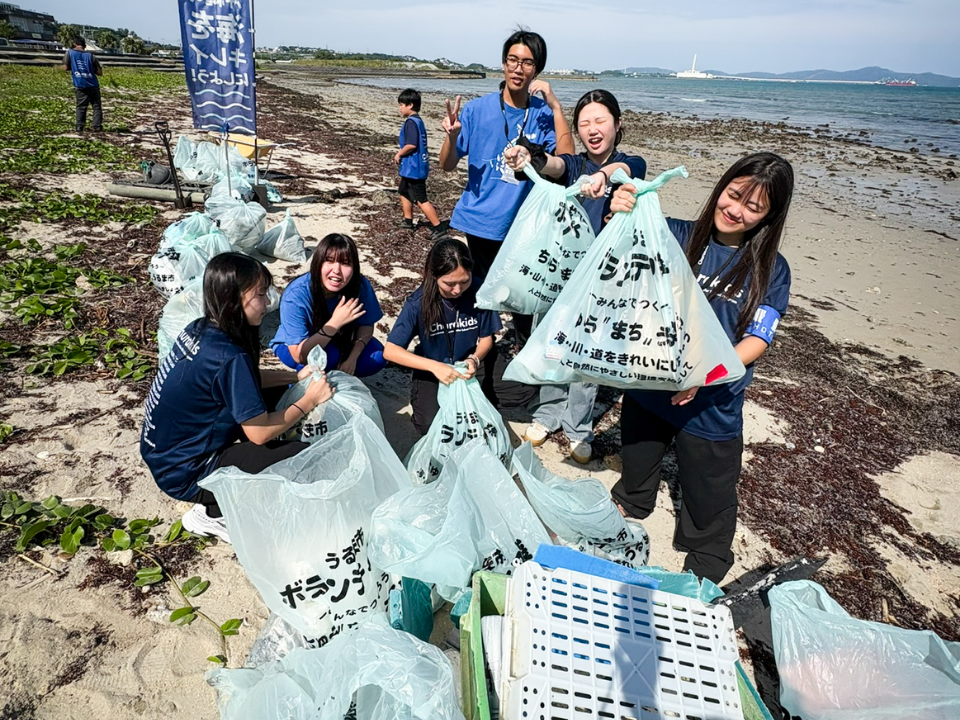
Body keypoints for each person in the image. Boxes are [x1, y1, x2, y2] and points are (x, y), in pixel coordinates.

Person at [608, 152, 794, 584]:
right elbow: (615, 246)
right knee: (636, 467)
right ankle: (635, 501)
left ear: (769, 216)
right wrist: (618, 207)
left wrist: (705, 372)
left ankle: (704, 557)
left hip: (711, 400)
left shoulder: (772, 270)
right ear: (721, 187)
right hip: (649, 385)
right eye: (733, 195)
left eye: (754, 207)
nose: (736, 211)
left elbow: (757, 340)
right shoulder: (673, 234)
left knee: (710, 503)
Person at [141, 253, 334, 543]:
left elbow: (246, 382)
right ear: (234, 299)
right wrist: (309, 399)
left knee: (278, 400)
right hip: (187, 472)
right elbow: (258, 433)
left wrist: (295, 378)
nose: (267, 303)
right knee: (301, 457)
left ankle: (221, 495)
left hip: (165, 454)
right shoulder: (230, 357)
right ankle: (213, 513)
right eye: (259, 294)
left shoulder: (202, 328)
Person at [505, 89, 647, 464]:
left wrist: (602, 174)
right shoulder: (574, 165)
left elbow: (626, 170)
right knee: (550, 341)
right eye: (584, 123)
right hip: (558, 273)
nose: (592, 129)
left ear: (618, 125)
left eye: (600, 121)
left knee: (586, 354)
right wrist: (528, 157)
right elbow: (553, 165)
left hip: (602, 281)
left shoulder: (630, 162)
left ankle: (577, 426)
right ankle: (548, 412)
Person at [439, 28, 574, 341]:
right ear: (503, 64)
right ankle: (481, 359)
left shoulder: (542, 115)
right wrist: (452, 136)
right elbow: (446, 165)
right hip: (481, 222)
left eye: (527, 62)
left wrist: (556, 107)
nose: (518, 68)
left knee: (524, 300)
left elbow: (569, 163)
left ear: (537, 69)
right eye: (512, 60)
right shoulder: (475, 110)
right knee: (483, 297)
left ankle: (525, 360)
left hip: (525, 226)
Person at [383, 239, 502, 435]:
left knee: (520, 391)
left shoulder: (480, 292)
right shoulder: (418, 303)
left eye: (464, 281)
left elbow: (487, 338)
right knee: (428, 423)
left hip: (469, 365)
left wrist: (474, 358)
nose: (457, 290)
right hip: (433, 368)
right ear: (434, 276)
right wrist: (434, 366)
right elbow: (390, 351)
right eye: (449, 283)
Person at [271, 233, 387, 376]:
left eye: (345, 263)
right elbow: (298, 355)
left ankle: (339, 376)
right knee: (329, 355)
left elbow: (366, 325)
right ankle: (304, 384)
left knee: (377, 356)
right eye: (329, 261)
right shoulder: (297, 294)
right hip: (293, 345)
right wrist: (335, 322)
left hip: (340, 339)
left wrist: (352, 359)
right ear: (318, 263)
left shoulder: (360, 285)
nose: (337, 270)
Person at [395, 88, 448, 241]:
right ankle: (407, 221)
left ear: (410, 105)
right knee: (404, 191)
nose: (400, 108)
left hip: (414, 168)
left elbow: (411, 144)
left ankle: (438, 227)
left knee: (420, 198)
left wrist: (399, 153)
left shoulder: (411, 122)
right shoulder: (418, 120)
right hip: (413, 167)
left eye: (401, 105)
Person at [62, 36, 103, 133]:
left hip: (80, 84)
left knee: (81, 106)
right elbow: (99, 72)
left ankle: (79, 127)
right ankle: (97, 126)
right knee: (96, 106)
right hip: (93, 84)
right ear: (84, 45)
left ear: (74, 44)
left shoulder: (69, 53)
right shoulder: (91, 56)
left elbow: (65, 68)